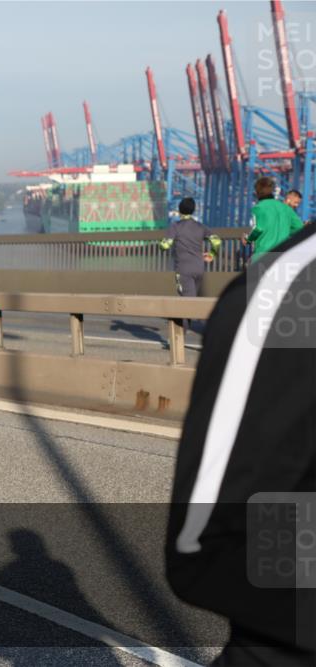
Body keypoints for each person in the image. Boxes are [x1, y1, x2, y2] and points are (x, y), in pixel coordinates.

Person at [167, 222, 315, 666]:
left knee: (188, 295)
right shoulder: (288, 293)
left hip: (193, 265)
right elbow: (206, 543)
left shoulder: (190, 229)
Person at [160, 197, 221, 299]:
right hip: (199, 268)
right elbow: (217, 241)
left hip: (184, 270)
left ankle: (189, 315)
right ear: (193, 210)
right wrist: (211, 255)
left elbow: (165, 245)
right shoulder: (200, 226)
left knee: (188, 302)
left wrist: (161, 245)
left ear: (179, 209)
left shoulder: (176, 226)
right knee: (191, 298)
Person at [242, 177, 304, 263]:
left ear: (257, 192)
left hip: (263, 255)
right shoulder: (286, 208)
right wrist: (284, 230)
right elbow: (299, 227)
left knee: (255, 275)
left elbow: (258, 228)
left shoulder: (258, 208)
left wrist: (247, 239)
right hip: (282, 256)